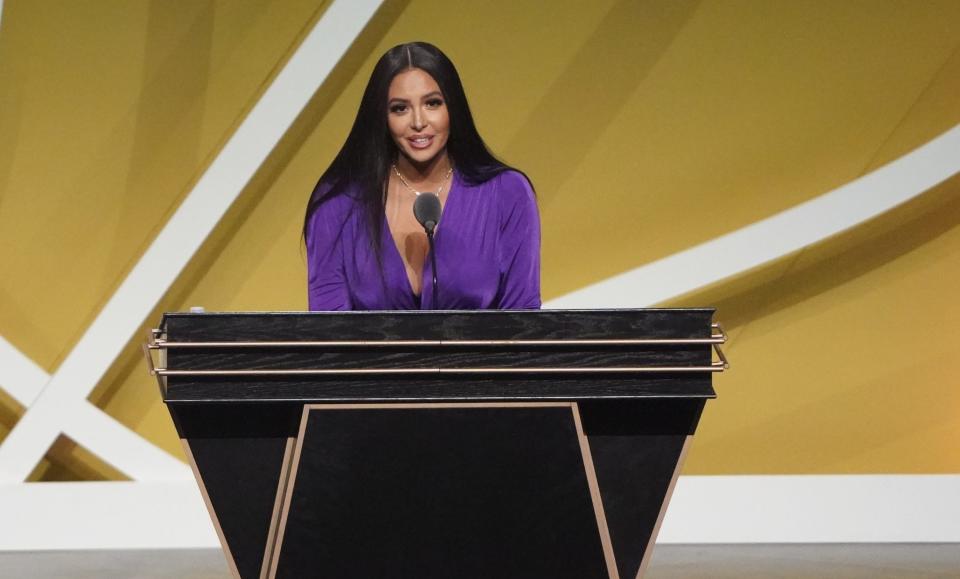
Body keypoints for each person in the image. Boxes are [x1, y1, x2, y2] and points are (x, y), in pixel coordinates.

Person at [304, 42, 540, 311]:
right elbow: (330, 337)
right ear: (382, 116)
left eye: (432, 103)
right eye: (400, 108)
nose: (418, 122)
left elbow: (522, 324)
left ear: (453, 107)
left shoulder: (507, 194)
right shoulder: (337, 204)